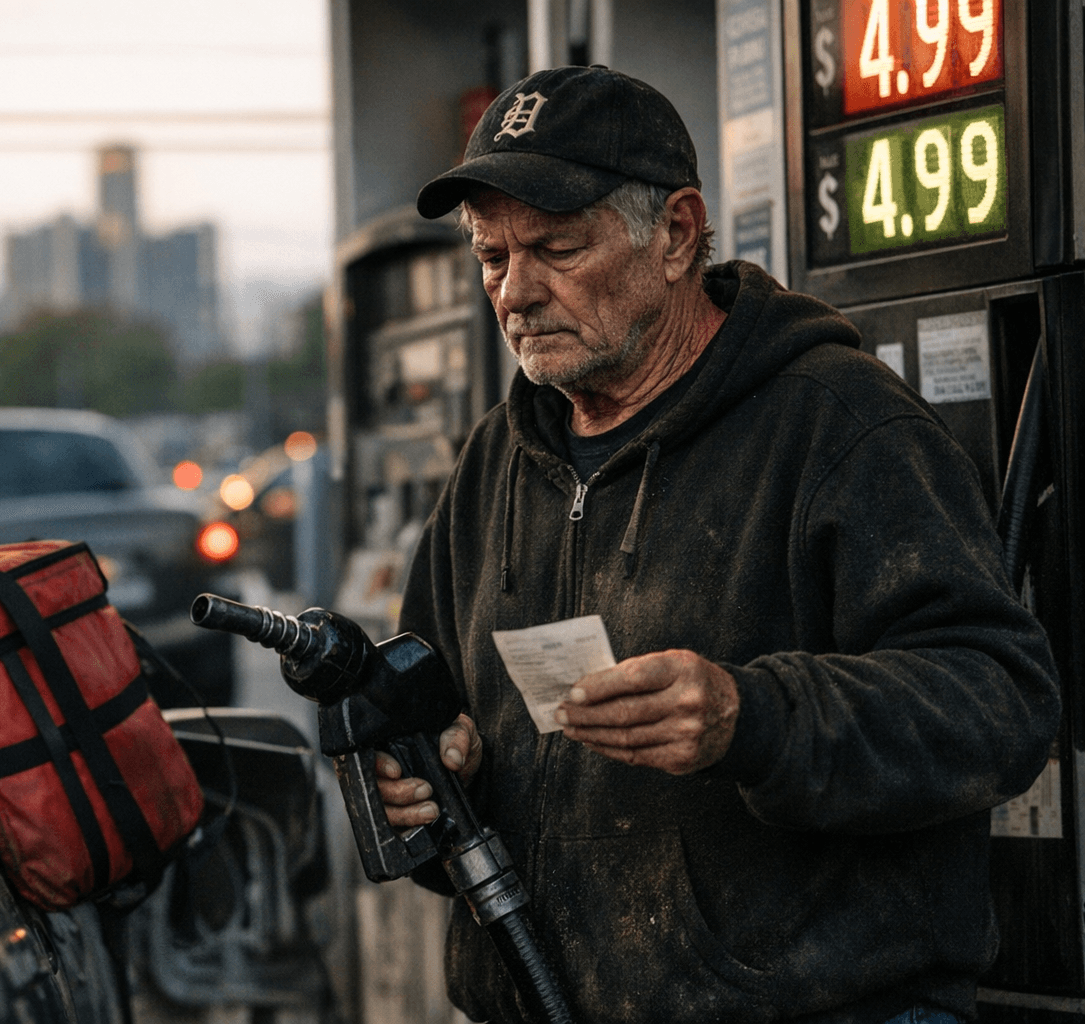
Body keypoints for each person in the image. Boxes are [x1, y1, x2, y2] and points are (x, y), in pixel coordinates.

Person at [378, 65, 1060, 1024]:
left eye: (557, 248)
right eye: (492, 258)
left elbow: (1001, 700)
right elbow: (428, 697)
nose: (516, 293)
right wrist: (420, 771)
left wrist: (755, 717)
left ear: (677, 235)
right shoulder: (498, 460)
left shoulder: (839, 426)